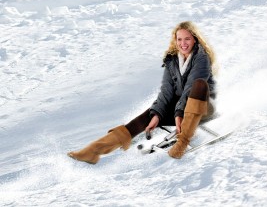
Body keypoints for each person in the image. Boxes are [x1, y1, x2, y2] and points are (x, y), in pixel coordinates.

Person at [67, 21, 217, 164]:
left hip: (202, 107)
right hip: (180, 109)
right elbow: (166, 92)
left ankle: (182, 143)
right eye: (179, 39)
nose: (183, 43)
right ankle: (93, 151)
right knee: (147, 116)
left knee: (199, 84)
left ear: (195, 40)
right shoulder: (172, 61)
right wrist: (157, 115)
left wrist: (178, 114)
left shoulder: (201, 58)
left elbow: (190, 86)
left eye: (187, 39)